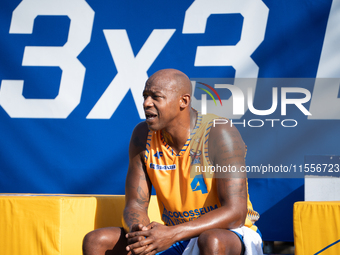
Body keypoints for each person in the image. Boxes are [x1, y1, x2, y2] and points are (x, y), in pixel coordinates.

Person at [82, 69, 260, 255]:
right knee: (96, 241)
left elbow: (236, 213)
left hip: (230, 233)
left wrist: (172, 234)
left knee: (210, 240)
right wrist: (142, 233)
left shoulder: (219, 132)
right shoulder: (142, 136)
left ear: (183, 101)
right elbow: (135, 205)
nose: (146, 103)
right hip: (175, 235)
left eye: (156, 97)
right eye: (145, 96)